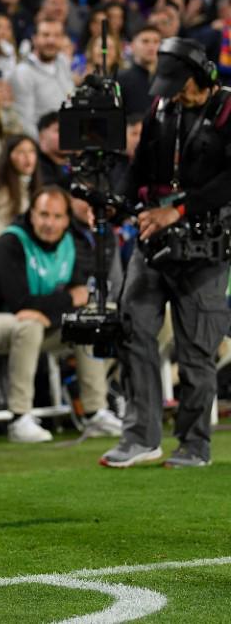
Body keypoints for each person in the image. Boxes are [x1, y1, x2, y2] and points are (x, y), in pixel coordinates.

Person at [101, 38, 231, 469]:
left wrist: (179, 209)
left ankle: (194, 445)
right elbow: (139, 168)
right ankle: (140, 437)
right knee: (133, 328)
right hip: (154, 241)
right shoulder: (161, 108)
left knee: (196, 350)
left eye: (180, 85)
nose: (173, 92)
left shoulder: (229, 110)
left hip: (206, 247)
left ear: (202, 78)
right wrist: (115, 201)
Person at [0, 187, 121, 443]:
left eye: (57, 216)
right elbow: (20, 303)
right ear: (31, 215)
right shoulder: (10, 242)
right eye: (43, 215)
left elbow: (82, 298)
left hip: (39, 325)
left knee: (96, 316)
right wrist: (63, 304)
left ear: (66, 220)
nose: (49, 223)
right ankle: (19, 418)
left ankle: (96, 411)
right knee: (29, 324)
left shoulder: (70, 244)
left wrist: (53, 313)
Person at [9, 19, 74, 136]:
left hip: (71, 136)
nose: (51, 40)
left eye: (57, 35)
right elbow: (25, 122)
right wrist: (42, 147)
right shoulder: (23, 72)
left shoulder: (63, 61)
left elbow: (71, 98)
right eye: (45, 35)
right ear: (34, 39)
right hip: (45, 144)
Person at [0, 134, 42, 251]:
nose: (27, 157)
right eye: (20, 152)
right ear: (9, 156)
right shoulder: (4, 194)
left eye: (31, 151)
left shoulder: (33, 187)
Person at [117, 25, 162, 117]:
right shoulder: (120, 79)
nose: (151, 46)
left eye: (156, 42)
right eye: (145, 41)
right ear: (132, 46)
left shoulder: (167, 79)